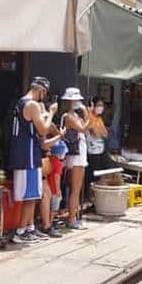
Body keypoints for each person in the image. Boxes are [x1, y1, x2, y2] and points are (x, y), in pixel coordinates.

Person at [9, 77, 57, 244]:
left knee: (33, 194)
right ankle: (21, 231)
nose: (44, 96)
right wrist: (51, 113)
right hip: (27, 156)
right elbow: (43, 130)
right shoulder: (32, 105)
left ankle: (29, 228)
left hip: (24, 154)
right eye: (45, 93)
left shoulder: (21, 103)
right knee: (30, 196)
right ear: (41, 90)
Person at [61, 87, 90, 229]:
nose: (78, 102)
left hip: (80, 153)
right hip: (75, 155)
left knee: (77, 188)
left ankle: (73, 216)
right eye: (76, 100)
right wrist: (86, 112)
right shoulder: (68, 116)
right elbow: (83, 128)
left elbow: (85, 128)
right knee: (75, 188)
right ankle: (72, 219)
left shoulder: (75, 116)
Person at [39, 140, 67, 238]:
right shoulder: (58, 164)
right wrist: (58, 190)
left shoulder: (49, 160)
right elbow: (57, 177)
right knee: (53, 209)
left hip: (48, 186)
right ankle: (49, 224)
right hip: (54, 190)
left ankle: (47, 223)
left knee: (48, 206)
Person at [85, 97, 110, 196]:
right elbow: (96, 133)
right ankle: (90, 194)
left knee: (99, 173)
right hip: (91, 151)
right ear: (93, 106)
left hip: (100, 150)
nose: (101, 108)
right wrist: (98, 130)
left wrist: (98, 130)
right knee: (92, 174)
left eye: (102, 105)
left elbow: (105, 134)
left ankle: (96, 194)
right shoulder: (89, 117)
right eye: (99, 105)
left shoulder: (99, 119)